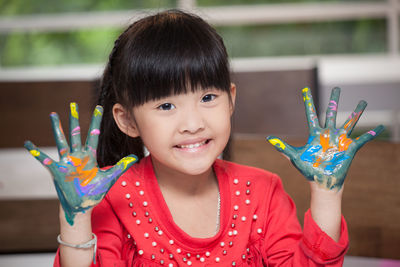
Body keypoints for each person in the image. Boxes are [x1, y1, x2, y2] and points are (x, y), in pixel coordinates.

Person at [24, 9, 384, 267]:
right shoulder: (113, 202)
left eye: (208, 98)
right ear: (127, 120)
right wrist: (76, 217)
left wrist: (326, 192)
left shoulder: (263, 193)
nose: (193, 123)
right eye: (166, 106)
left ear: (231, 99)